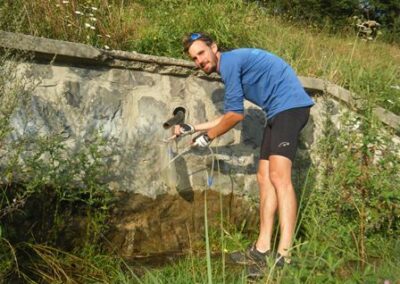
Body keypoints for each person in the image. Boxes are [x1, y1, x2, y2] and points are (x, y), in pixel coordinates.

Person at [174, 32, 314, 271]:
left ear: (213, 47)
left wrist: (207, 138)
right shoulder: (230, 65)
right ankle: (261, 249)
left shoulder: (229, 64)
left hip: (290, 107)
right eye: (194, 58)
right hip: (277, 112)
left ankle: (285, 256)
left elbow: (235, 117)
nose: (199, 61)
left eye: (201, 53)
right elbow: (229, 114)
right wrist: (193, 128)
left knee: (280, 177)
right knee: (264, 176)